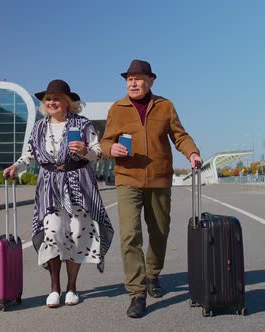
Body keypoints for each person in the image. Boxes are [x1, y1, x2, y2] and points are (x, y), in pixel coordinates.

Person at [100, 59, 202, 318]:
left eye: (138, 78)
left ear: (151, 81)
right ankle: (137, 292)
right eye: (129, 79)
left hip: (159, 178)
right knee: (130, 235)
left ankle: (152, 274)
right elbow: (105, 141)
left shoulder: (165, 106)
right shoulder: (118, 108)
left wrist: (192, 153)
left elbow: (179, 135)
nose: (132, 83)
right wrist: (110, 149)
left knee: (159, 231)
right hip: (127, 178)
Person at [3, 79, 114, 308]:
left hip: (79, 184)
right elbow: (30, 155)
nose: (51, 102)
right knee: (52, 232)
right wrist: (16, 167)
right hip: (50, 186)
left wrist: (85, 151)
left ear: (67, 102)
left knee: (76, 233)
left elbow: (98, 152)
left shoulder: (82, 124)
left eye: (56, 98)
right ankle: (54, 287)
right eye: (48, 99)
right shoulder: (39, 127)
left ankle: (72, 287)